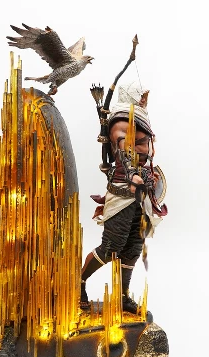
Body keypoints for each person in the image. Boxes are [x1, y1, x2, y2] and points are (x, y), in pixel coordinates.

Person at [80, 81, 167, 313]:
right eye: (142, 96)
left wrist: (147, 178)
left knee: (133, 248)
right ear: (133, 97)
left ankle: (122, 297)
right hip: (123, 192)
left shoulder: (139, 120)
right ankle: (79, 282)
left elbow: (143, 154)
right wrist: (132, 175)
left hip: (142, 194)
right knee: (111, 247)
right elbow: (122, 150)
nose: (145, 100)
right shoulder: (120, 122)